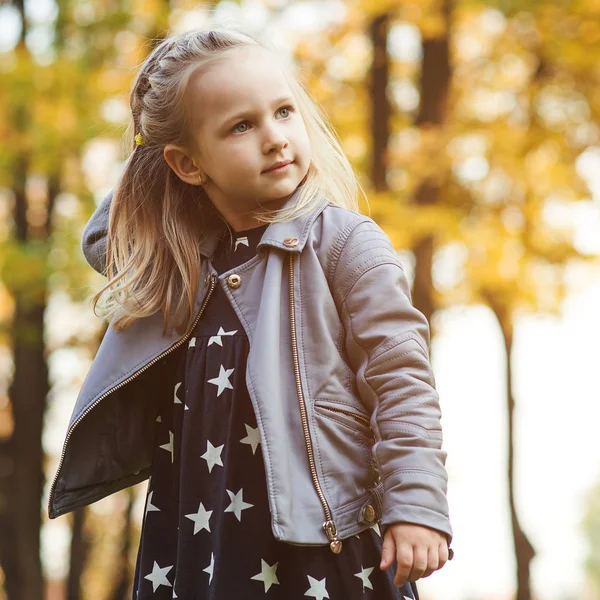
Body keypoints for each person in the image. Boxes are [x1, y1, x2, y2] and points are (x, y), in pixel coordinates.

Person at [48, 23, 454, 599]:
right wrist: (154, 146)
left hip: (320, 543)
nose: (275, 138)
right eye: (241, 125)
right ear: (188, 164)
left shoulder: (342, 243)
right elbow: (105, 236)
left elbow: (402, 379)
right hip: (200, 542)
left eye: (284, 111)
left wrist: (415, 503)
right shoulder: (183, 261)